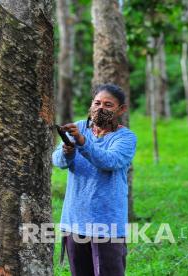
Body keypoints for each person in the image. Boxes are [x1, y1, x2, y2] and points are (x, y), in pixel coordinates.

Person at [52, 83, 137, 276]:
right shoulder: (79, 127)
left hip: (107, 223)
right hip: (75, 220)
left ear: (121, 109)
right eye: (97, 103)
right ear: (91, 105)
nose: (100, 108)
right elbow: (58, 161)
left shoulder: (125, 138)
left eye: (108, 105)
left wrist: (82, 143)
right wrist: (68, 151)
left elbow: (110, 161)